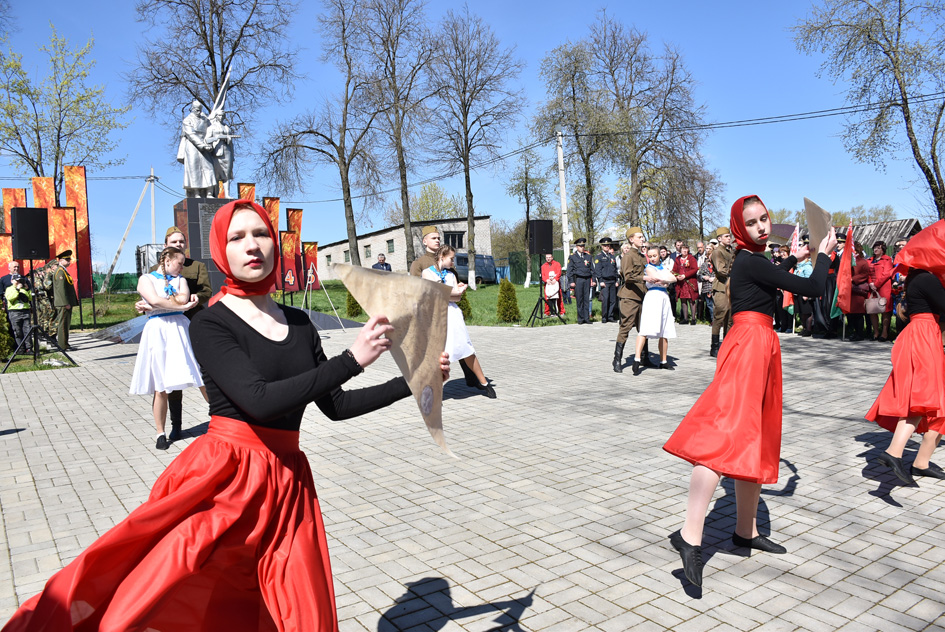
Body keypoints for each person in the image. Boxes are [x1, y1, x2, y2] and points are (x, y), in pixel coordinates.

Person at [3, 199, 451, 631]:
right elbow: (258, 400)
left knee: (300, 611)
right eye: (237, 237)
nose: (252, 245)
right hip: (225, 482)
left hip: (288, 484)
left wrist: (414, 383)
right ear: (221, 250)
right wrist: (352, 359)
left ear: (274, 243)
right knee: (171, 593)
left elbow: (336, 406)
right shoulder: (210, 323)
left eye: (260, 234)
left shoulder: (300, 323)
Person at [663, 194, 836, 588]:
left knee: (751, 438)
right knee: (722, 436)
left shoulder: (752, 260)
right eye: (752, 222)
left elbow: (770, 278)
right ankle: (690, 536)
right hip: (750, 346)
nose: (761, 226)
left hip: (757, 344)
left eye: (764, 219)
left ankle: (745, 531)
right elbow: (812, 286)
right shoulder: (751, 260)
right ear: (741, 229)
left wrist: (796, 257)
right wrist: (824, 253)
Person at [865, 220, 945, 485]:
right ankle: (894, 452)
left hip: (924, 334)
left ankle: (920, 462)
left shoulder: (920, 277)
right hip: (923, 336)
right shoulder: (925, 278)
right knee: (923, 397)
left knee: (932, 399)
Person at [137, 227, 213, 442]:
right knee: (166, 381)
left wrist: (191, 299)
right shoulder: (153, 272)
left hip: (190, 323)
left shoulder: (195, 267)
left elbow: (204, 291)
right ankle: (175, 426)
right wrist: (147, 306)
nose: (179, 244)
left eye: (182, 241)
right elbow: (150, 297)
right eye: (175, 242)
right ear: (166, 247)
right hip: (161, 329)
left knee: (200, 371)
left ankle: (220, 414)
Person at [422, 244, 496, 398]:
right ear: (442, 256)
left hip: (453, 314)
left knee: (465, 347)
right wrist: (455, 292)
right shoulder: (427, 273)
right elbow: (440, 293)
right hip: (437, 315)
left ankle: (484, 383)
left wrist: (456, 292)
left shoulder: (451, 275)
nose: (453, 262)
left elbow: (457, 298)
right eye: (451, 258)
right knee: (438, 352)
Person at [632, 246, 677, 374]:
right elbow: (658, 279)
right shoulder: (649, 267)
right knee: (645, 328)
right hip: (653, 296)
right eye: (650, 256)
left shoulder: (663, 267)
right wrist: (666, 280)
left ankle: (663, 360)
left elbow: (673, 278)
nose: (652, 258)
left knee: (665, 328)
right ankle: (637, 358)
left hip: (664, 297)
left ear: (659, 255)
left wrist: (665, 280)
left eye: (654, 256)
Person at [614, 228, 651, 373]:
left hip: (642, 296)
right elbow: (628, 277)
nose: (642, 239)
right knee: (625, 327)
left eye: (642, 237)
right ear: (631, 239)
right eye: (639, 237)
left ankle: (644, 357)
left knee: (644, 328)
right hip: (630, 296)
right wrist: (644, 278)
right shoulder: (628, 256)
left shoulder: (642, 256)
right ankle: (617, 360)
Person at [176, 100, 216, 197]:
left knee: (209, 167)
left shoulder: (205, 119)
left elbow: (211, 130)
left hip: (205, 144)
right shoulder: (187, 120)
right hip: (192, 146)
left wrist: (210, 143)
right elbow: (191, 134)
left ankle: (209, 192)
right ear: (193, 109)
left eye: (200, 110)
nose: (199, 112)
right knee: (194, 168)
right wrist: (202, 145)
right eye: (197, 110)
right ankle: (196, 192)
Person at [709, 227, 734, 356]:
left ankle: (727, 345)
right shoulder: (718, 252)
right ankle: (714, 347)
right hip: (720, 288)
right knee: (719, 317)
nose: (729, 238)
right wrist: (736, 274)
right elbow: (720, 270)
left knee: (729, 319)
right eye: (726, 236)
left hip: (730, 287)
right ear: (719, 239)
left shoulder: (729, 251)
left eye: (729, 236)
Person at [868, 240, 895, 342]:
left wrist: (876, 284)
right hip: (872, 288)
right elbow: (867, 273)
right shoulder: (870, 260)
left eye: (878, 248)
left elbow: (886, 274)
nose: (876, 249)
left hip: (883, 287)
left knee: (885, 310)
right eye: (875, 247)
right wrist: (870, 283)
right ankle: (876, 332)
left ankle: (884, 333)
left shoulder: (887, 260)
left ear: (883, 250)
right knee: (872, 310)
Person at [52, 250, 78, 350]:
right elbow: (61, 289)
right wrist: (65, 303)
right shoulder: (60, 271)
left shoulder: (62, 270)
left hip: (64, 303)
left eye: (69, 259)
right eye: (67, 259)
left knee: (65, 324)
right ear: (61, 260)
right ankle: (62, 345)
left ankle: (65, 344)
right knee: (63, 325)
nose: (69, 261)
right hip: (63, 303)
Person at [845, 242, 871, 342]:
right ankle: (855, 332)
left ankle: (860, 333)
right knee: (851, 314)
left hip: (858, 290)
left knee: (858, 314)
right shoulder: (848, 261)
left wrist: (853, 278)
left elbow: (865, 274)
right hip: (849, 290)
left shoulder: (862, 262)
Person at [568, 238, 594, 324]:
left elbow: (592, 269)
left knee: (587, 299)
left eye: (583, 246)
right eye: (580, 246)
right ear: (577, 247)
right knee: (579, 299)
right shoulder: (572, 257)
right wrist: (571, 281)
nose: (582, 247)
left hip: (587, 279)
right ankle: (580, 318)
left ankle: (586, 318)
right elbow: (570, 270)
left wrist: (593, 280)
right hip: (578, 279)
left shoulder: (588, 256)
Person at [5, 273, 32, 354]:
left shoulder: (24, 289)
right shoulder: (9, 289)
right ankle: (21, 348)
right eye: (17, 281)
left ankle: (29, 348)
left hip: (25, 311)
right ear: (12, 281)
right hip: (15, 312)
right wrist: (17, 289)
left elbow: (30, 298)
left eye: (20, 280)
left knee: (27, 330)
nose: (18, 282)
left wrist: (27, 289)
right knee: (18, 331)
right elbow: (10, 298)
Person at [593, 238, 619, 323]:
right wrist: (600, 280)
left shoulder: (612, 256)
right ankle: (604, 317)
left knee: (613, 300)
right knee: (605, 299)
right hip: (605, 281)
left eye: (608, 245)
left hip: (612, 281)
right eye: (605, 245)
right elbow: (598, 270)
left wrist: (616, 280)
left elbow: (615, 269)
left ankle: (610, 316)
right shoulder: (599, 256)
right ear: (602, 246)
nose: (606, 247)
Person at [672, 244, 699, 326]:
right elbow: (674, 270)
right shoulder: (677, 259)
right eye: (683, 249)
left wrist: (685, 275)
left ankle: (693, 319)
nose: (684, 251)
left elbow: (695, 269)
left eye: (686, 249)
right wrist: (677, 276)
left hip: (690, 282)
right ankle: (685, 318)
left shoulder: (691, 258)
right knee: (683, 300)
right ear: (680, 250)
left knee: (691, 300)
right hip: (681, 283)